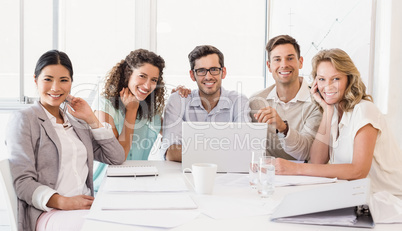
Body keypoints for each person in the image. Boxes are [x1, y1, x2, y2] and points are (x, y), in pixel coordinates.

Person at [6, 50, 125, 231]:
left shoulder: (76, 123)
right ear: (35, 80)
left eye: (63, 80)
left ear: (71, 83)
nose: (55, 88)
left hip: (85, 208)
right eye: (48, 79)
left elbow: (116, 157)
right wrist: (63, 202)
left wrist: (91, 119)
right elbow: (23, 181)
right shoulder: (24, 119)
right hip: (50, 212)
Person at [275, 48, 402, 197]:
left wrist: (294, 169)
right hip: (358, 199)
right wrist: (327, 110)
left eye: (335, 79)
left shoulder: (364, 110)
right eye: (322, 79)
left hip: (389, 202)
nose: (327, 86)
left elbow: (358, 171)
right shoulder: (333, 112)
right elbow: (317, 161)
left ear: (349, 79)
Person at [159, 45, 251, 162]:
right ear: (193, 75)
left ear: (223, 72)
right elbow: (171, 152)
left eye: (214, 69)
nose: (208, 76)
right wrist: (225, 153)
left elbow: (246, 147)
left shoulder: (239, 101)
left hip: (228, 176)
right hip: (184, 175)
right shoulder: (178, 100)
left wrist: (192, 152)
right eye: (201, 71)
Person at [92, 49, 167, 191]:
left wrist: (182, 99)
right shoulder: (104, 105)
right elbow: (117, 156)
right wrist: (131, 111)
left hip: (139, 185)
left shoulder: (152, 111)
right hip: (104, 188)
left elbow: (178, 136)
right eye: (142, 76)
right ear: (128, 75)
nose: (147, 85)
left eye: (154, 80)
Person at [249, 35, 322, 161]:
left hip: (303, 176)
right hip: (267, 174)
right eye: (277, 59)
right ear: (269, 65)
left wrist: (283, 127)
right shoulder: (256, 101)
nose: (284, 65)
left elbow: (307, 153)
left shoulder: (318, 102)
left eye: (290, 58)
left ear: (300, 62)